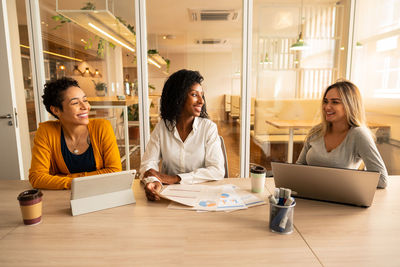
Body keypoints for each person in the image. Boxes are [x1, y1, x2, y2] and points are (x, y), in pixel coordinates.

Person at [140, 69, 225, 201]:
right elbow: (148, 164)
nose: (201, 101)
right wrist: (153, 181)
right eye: (194, 95)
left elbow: (217, 170)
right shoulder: (162, 127)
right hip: (167, 196)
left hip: (201, 196)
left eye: (202, 95)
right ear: (178, 97)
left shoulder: (208, 128)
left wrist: (175, 178)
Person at [29, 77, 122, 189]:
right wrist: (76, 183)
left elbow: (115, 171)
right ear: (56, 110)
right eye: (75, 103)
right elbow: (37, 178)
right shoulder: (46, 132)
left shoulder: (102, 127)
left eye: (85, 100)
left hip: (101, 193)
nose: (85, 107)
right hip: (62, 199)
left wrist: (62, 177)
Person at [296, 80, 388, 188]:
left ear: (350, 105)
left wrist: (344, 180)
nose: (327, 107)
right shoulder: (316, 131)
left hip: (341, 199)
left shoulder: (359, 134)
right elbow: (299, 166)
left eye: (335, 102)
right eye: (326, 101)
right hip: (311, 193)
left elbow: (382, 180)